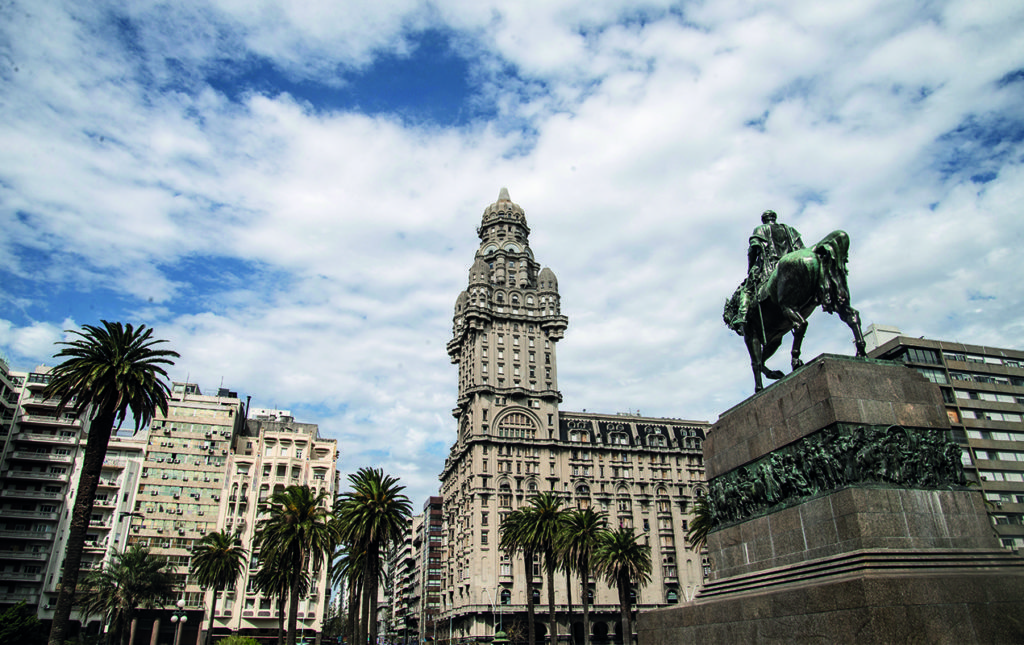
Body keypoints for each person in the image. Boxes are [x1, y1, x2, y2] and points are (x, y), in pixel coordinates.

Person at [733, 210, 804, 328]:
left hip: (770, 265)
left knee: (746, 290)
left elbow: (753, 249)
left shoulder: (760, 229)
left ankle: (742, 315)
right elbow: (800, 248)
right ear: (774, 218)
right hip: (791, 264)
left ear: (764, 220)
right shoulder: (789, 230)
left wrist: (750, 268)